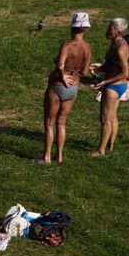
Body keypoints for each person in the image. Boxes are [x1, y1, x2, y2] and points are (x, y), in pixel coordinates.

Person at [38, 12, 93, 164]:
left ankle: (46, 157)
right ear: (85, 29)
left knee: (49, 123)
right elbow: (85, 71)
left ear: (72, 27)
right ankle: (60, 156)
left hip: (57, 86)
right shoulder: (87, 48)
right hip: (73, 87)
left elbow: (61, 65)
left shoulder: (67, 45)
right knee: (61, 122)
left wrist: (62, 76)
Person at [89, 18, 129, 156]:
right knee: (112, 116)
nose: (107, 30)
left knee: (105, 119)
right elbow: (113, 65)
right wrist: (100, 68)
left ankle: (100, 150)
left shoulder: (120, 49)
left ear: (118, 31)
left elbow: (125, 72)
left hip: (113, 86)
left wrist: (105, 82)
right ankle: (110, 146)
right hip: (118, 86)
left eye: (110, 28)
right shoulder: (115, 43)